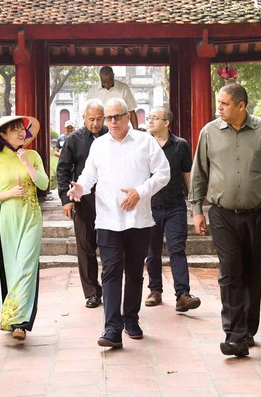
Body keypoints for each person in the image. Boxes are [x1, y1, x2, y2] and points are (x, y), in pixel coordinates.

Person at [189, 83, 261, 358]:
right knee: (230, 271)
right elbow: (199, 172)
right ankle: (234, 335)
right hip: (222, 214)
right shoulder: (209, 132)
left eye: (224, 103)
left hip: (257, 215)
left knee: (251, 273)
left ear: (241, 106)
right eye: (218, 102)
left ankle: (248, 329)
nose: (218, 107)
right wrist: (197, 209)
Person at [68, 98, 170, 348]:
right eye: (108, 118)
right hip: (108, 219)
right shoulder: (100, 145)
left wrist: (140, 191)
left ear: (128, 117)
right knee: (111, 272)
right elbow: (89, 174)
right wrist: (80, 188)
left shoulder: (145, 141)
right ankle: (112, 328)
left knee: (134, 273)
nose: (111, 122)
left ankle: (131, 319)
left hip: (139, 220)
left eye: (116, 117)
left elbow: (163, 173)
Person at [0, 115, 49, 342]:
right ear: (3, 135)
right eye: (15, 130)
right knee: (9, 267)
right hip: (8, 220)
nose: (22, 133)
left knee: (25, 265)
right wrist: (8, 194)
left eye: (23, 129)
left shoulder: (32, 155)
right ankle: (10, 318)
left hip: (31, 216)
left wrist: (27, 164)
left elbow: (44, 184)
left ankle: (20, 321)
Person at [144, 106, 201, 313]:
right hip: (150, 207)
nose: (150, 121)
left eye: (155, 118)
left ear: (166, 123)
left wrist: (195, 204)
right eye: (149, 118)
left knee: (177, 249)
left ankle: (182, 295)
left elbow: (188, 175)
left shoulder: (181, 145)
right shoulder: (144, 145)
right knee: (152, 252)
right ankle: (155, 291)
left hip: (175, 206)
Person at [56, 99, 108, 308]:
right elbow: (63, 169)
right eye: (91, 119)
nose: (95, 123)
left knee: (109, 247)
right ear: (84, 118)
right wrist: (65, 200)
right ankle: (92, 292)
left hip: (109, 202)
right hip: (83, 201)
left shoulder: (112, 135)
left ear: (104, 118)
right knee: (85, 248)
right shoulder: (74, 139)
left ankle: (110, 288)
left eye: (98, 119)